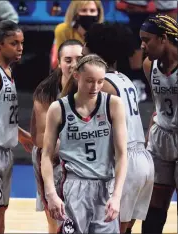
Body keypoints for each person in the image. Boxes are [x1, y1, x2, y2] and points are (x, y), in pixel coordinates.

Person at [63, 22, 154, 233]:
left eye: (85, 45)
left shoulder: (100, 84)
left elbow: (68, 111)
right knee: (124, 227)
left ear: (94, 50)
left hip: (124, 162)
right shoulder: (125, 80)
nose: (82, 49)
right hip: (142, 160)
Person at [41, 54, 128, 233]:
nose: (95, 87)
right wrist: (51, 193)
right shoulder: (58, 109)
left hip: (105, 186)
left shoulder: (113, 104)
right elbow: (46, 155)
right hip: (74, 186)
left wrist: (117, 196)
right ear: (76, 76)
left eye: (100, 81)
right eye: (89, 81)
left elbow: (121, 155)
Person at [30, 39, 83, 233]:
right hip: (51, 160)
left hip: (81, 159)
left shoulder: (94, 86)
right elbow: (43, 140)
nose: (74, 64)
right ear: (58, 62)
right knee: (57, 221)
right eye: (68, 60)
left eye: (79, 58)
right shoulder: (45, 91)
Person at [0, 20, 33, 234]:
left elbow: (1, 116)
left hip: (4, 152)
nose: (20, 47)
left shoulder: (8, 72)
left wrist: (21, 134)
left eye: (21, 42)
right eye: (14, 43)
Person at [139, 14, 178, 234]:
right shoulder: (148, 65)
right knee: (154, 204)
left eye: (147, 39)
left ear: (164, 38)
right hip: (161, 136)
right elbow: (159, 103)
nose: (143, 45)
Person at [116, 0, 177, 102]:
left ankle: (169, 81)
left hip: (165, 10)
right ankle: (138, 81)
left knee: (168, 31)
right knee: (137, 30)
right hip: (138, 14)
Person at [51, 0, 104, 69]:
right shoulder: (63, 30)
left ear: (98, 13)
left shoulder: (102, 33)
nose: (88, 14)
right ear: (75, 13)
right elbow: (59, 61)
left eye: (92, 11)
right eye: (84, 10)